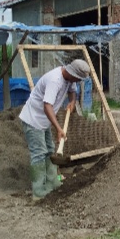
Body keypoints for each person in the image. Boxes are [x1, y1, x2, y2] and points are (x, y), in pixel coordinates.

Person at [19, 59, 91, 200]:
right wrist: (58, 129)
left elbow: (72, 91)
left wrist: (72, 101)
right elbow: (47, 106)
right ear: (72, 73)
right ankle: (38, 191)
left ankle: (52, 181)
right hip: (33, 119)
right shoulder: (55, 81)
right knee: (39, 153)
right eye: (78, 78)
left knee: (50, 150)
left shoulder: (70, 79)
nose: (77, 81)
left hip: (43, 121)